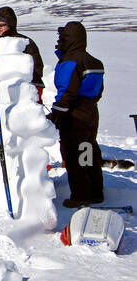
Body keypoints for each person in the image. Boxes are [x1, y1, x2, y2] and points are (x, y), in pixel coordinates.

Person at [49, 21, 105, 208]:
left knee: (74, 153)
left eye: (62, 38)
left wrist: (57, 112)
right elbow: (99, 90)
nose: (59, 41)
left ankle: (81, 195)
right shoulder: (94, 61)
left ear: (69, 38)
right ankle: (96, 192)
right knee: (88, 149)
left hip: (74, 114)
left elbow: (68, 91)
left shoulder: (70, 61)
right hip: (90, 111)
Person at [0, 7, 45, 102]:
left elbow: (37, 67)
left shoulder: (23, 42)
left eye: (2, 25)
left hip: (29, 87)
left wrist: (29, 86)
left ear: (10, 24)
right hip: (5, 90)